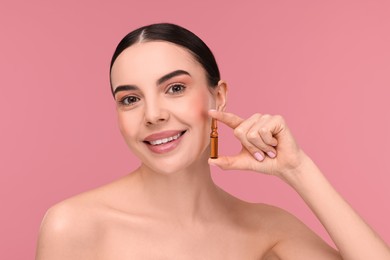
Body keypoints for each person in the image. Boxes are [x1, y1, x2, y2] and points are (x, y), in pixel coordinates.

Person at [35, 23, 390, 259]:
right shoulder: (75, 225)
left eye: (175, 88)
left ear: (218, 96)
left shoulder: (269, 230)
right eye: (130, 98)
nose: (152, 114)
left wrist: (299, 169)